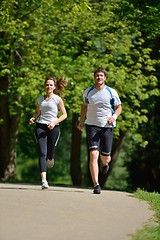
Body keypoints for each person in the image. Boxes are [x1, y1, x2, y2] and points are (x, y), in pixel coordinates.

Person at [77, 67, 122, 194]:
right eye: (97, 75)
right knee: (93, 154)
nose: (99, 78)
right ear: (94, 77)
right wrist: (81, 121)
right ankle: (96, 184)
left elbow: (119, 108)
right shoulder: (88, 92)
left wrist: (114, 117)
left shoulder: (111, 92)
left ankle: (105, 164)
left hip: (107, 126)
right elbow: (84, 106)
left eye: (101, 75)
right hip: (92, 125)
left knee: (106, 157)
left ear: (105, 78)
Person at [29, 77, 67, 190]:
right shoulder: (40, 99)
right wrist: (33, 118)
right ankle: (44, 180)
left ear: (54, 87)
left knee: (50, 152)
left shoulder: (57, 99)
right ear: (44, 86)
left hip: (53, 127)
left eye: (51, 85)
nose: (49, 87)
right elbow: (37, 112)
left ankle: (51, 157)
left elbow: (64, 115)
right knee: (42, 152)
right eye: (47, 85)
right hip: (40, 126)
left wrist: (54, 122)